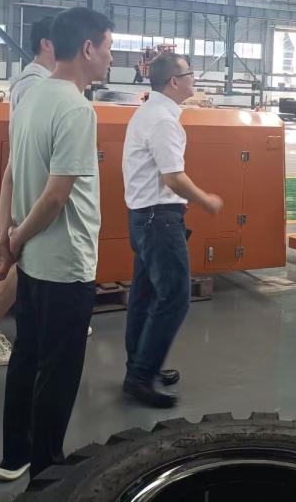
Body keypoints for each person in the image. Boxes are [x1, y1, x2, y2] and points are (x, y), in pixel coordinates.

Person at [0, 7, 113, 482]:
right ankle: (46, 474)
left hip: (33, 262)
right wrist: (15, 239)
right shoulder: (76, 108)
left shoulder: (30, 95)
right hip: (65, 263)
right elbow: (57, 196)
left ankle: (13, 456)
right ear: (87, 49)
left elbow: (10, 174)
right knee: (59, 372)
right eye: (109, 49)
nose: (111, 58)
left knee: (26, 358)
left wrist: (7, 237)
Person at [122, 53, 223, 407]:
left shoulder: (151, 112)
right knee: (176, 297)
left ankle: (139, 365)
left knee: (145, 294)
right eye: (190, 73)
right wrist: (206, 200)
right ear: (175, 82)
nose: (195, 79)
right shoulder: (163, 120)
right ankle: (140, 376)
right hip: (158, 221)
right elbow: (173, 178)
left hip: (144, 216)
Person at [0, 16, 55, 366]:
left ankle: (48, 321)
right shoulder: (36, 85)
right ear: (47, 43)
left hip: (30, 180)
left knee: (33, 260)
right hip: (36, 186)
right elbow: (32, 149)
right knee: (22, 260)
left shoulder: (35, 82)